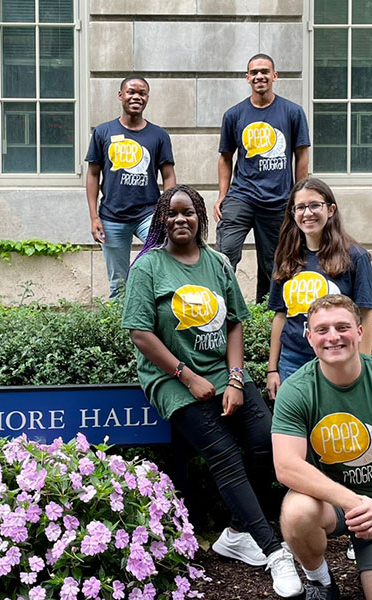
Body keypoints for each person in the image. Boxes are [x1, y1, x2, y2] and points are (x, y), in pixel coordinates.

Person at [122, 185, 303, 598]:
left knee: (267, 444)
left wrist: (236, 379)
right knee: (224, 456)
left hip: (224, 373)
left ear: (201, 217)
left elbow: (236, 322)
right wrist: (187, 376)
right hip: (173, 381)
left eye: (188, 213)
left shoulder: (218, 263)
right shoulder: (148, 267)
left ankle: (238, 534)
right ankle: (274, 552)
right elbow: (139, 333)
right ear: (161, 219)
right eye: (172, 213)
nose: (180, 219)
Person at [271, 294, 372, 600]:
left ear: (359, 332)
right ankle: (319, 582)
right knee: (296, 512)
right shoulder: (296, 390)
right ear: (309, 337)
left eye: (342, 327)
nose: (333, 337)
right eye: (322, 330)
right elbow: (287, 465)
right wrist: (352, 502)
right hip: (327, 502)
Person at [266, 177, 372, 401]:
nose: (308, 213)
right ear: (293, 213)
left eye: (315, 205)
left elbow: (364, 316)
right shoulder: (286, 257)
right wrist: (272, 369)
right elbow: (280, 315)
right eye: (300, 207)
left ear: (331, 209)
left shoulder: (356, 257)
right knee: (296, 428)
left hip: (339, 358)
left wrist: (362, 369)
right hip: (293, 361)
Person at [215, 53, 310, 303]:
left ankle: (266, 317)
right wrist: (222, 196)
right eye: (254, 72)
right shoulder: (234, 115)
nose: (259, 76)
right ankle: (222, 309)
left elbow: (301, 157)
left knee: (275, 265)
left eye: (264, 72)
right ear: (247, 78)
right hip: (242, 196)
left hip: (279, 201)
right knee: (225, 254)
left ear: (274, 76)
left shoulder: (292, 112)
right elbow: (225, 157)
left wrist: (299, 197)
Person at [86, 76, 176, 300]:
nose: (136, 96)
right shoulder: (103, 132)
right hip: (112, 216)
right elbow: (93, 174)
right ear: (120, 96)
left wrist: (167, 211)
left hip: (149, 214)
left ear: (147, 98)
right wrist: (94, 217)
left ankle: (154, 317)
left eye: (142, 93)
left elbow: (168, 176)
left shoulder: (159, 135)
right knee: (118, 283)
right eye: (131, 92)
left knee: (161, 267)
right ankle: (120, 330)